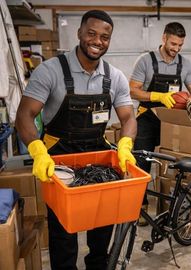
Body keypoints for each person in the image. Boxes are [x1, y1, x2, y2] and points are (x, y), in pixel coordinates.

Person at [15, 10, 136, 270]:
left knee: (103, 223)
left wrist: (125, 144)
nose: (97, 41)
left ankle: (97, 264)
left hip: (97, 156)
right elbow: (24, 114)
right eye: (91, 33)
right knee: (63, 232)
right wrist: (37, 151)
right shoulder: (50, 70)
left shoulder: (114, 77)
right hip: (58, 156)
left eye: (105, 37)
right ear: (80, 33)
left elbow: (128, 118)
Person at [129, 22, 191, 222]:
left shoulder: (184, 64)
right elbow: (132, 90)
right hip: (146, 117)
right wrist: (157, 95)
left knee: (173, 162)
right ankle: (140, 205)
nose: (176, 49)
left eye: (180, 45)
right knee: (141, 162)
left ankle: (170, 201)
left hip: (171, 120)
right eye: (173, 44)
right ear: (164, 38)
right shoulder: (145, 61)